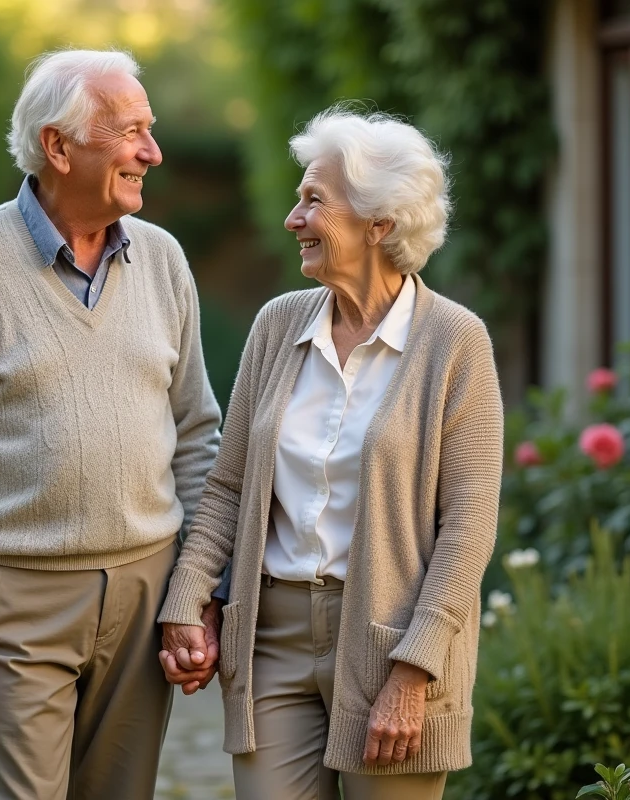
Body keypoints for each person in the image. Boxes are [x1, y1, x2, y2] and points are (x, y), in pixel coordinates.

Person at [0, 49, 222, 800]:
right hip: (16, 598)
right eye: (131, 132)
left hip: (144, 592)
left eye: (151, 131)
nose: (152, 153)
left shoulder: (164, 261)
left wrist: (196, 592)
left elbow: (198, 433)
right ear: (58, 147)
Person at [158, 106, 504, 800]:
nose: (293, 219)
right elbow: (230, 487)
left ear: (380, 225)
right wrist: (187, 597)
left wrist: (414, 672)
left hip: (392, 643)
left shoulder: (455, 343)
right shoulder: (277, 325)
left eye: (313, 200)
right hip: (273, 640)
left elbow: (467, 528)